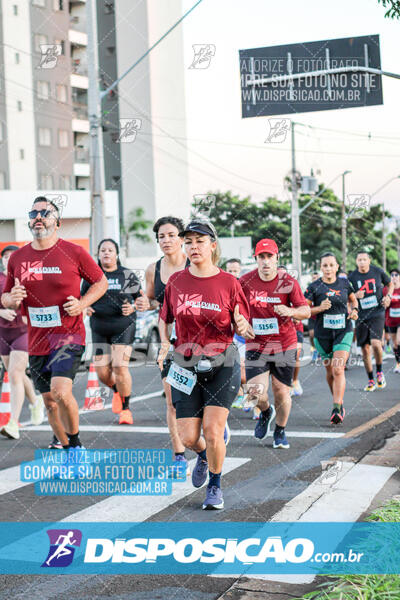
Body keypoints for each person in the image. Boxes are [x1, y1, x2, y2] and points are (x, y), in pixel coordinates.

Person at [158, 219, 253, 510]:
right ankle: (202, 455)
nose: (193, 246)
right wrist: (164, 343)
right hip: (185, 365)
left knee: (213, 431)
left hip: (222, 363)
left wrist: (242, 324)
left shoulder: (229, 283)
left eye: (200, 241)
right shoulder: (176, 281)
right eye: (189, 242)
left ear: (213, 245)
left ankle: (215, 485)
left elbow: (247, 330)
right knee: (188, 437)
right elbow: (166, 318)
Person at [1, 197, 107, 452]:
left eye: (45, 213)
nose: (38, 216)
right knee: (49, 401)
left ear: (57, 223)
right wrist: (11, 299)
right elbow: (6, 297)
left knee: (60, 391)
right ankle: (67, 445)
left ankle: (77, 444)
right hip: (36, 338)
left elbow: (100, 283)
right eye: (33, 213)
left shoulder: (74, 252)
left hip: (68, 335)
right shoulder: (18, 258)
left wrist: (82, 304)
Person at [240, 239, 310, 450]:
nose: (266, 261)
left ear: (277, 258)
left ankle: (280, 430)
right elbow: (235, 308)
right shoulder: (245, 281)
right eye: (261, 257)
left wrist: (290, 311)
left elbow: (305, 311)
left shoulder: (287, 281)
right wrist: (241, 324)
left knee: (281, 391)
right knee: (254, 394)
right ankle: (266, 411)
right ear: (256, 259)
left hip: (283, 345)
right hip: (256, 344)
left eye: (269, 256)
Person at [81, 238, 149, 425]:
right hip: (100, 327)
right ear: (98, 254)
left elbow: (142, 301)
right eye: (103, 250)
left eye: (110, 250)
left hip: (123, 325)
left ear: (117, 254)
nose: (106, 253)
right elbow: (82, 299)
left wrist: (134, 307)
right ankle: (118, 391)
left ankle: (126, 410)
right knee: (103, 373)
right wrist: (84, 307)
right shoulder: (91, 276)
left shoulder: (127, 275)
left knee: (119, 366)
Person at [145, 216, 191, 474]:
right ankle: (179, 456)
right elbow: (152, 300)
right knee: (173, 402)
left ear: (182, 238)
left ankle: (214, 428)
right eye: (161, 236)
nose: (166, 240)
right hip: (168, 344)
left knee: (200, 399)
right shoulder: (153, 269)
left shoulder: (193, 265)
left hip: (197, 344)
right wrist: (145, 304)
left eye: (171, 235)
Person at [305, 253, 358, 424]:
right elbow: (304, 310)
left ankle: (336, 407)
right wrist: (319, 308)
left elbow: (353, 299)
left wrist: (355, 311)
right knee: (330, 372)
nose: (328, 269)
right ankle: (338, 400)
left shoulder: (344, 283)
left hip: (344, 330)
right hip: (323, 334)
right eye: (325, 265)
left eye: (331, 265)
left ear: (337, 267)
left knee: (338, 369)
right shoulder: (314, 287)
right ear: (321, 268)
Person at [0, 245, 44, 439]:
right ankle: (35, 401)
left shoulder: (28, 276)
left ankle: (13, 424)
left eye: (12, 256)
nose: (8, 259)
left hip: (23, 331)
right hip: (3, 333)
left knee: (15, 373)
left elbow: (40, 299)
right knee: (13, 372)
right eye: (5, 256)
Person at [348, 251, 393, 391]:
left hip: (377, 313)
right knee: (365, 349)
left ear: (369, 260)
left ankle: (379, 372)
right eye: (359, 260)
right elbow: (347, 296)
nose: (362, 262)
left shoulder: (377, 271)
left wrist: (389, 296)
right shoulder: (352, 276)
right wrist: (355, 295)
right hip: (361, 316)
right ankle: (371, 380)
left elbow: (390, 283)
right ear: (356, 262)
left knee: (375, 343)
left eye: (364, 259)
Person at [384, 269, 400, 372]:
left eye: (396, 275)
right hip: (390, 320)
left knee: (399, 340)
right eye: (392, 275)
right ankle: (398, 363)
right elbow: (384, 304)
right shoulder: (386, 290)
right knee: (395, 344)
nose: (394, 276)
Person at [308, 272, 319, 362]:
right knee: (312, 334)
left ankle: (319, 350)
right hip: (311, 315)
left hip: (320, 316)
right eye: (313, 278)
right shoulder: (310, 289)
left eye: (316, 277)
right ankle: (314, 349)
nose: (315, 279)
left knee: (319, 335)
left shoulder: (322, 287)